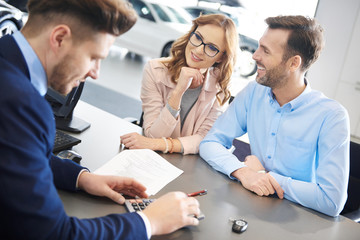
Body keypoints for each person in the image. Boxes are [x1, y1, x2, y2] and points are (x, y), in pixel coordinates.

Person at [0, 0, 201, 239]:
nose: (95, 72)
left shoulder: (7, 59)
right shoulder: (22, 103)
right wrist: (149, 221)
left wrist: (81, 178)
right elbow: (53, 234)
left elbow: (16, 155)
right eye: (94, 57)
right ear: (60, 38)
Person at [199, 15, 350, 217]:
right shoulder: (254, 92)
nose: (255, 56)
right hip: (251, 206)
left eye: (266, 51)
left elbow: (332, 201)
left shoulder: (332, 116)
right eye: (259, 46)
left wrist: (264, 176)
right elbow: (210, 142)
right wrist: (243, 172)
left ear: (294, 63)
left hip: (297, 219)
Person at [120, 14, 238, 155]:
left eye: (212, 48)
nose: (199, 49)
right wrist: (178, 91)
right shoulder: (155, 70)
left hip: (188, 166)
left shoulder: (220, 87)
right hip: (151, 158)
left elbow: (205, 140)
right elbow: (153, 135)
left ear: (221, 57)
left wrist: (162, 144)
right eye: (198, 38)